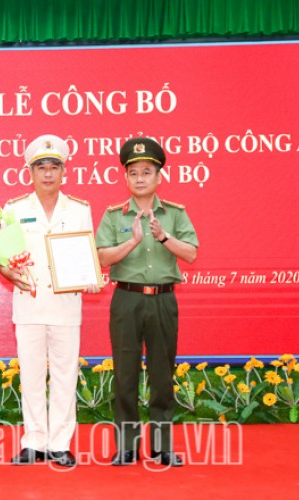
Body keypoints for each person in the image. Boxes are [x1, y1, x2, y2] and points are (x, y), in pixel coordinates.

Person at [0, 134, 99, 467]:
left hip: (66, 305)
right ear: (30, 172)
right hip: (29, 303)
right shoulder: (14, 208)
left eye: (55, 166)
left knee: (66, 376)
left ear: (64, 171)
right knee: (32, 376)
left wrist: (89, 277)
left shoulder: (80, 209)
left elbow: (87, 254)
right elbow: (2, 254)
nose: (48, 173)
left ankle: (60, 444)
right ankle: (34, 442)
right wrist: (5, 270)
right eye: (41, 167)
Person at [95, 137, 198, 467]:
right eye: (134, 173)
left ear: (158, 177)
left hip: (163, 301)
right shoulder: (114, 216)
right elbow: (101, 257)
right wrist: (133, 241)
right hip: (126, 299)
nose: (140, 178)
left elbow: (191, 254)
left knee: (162, 376)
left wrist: (163, 237)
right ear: (126, 178)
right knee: (124, 375)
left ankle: (161, 447)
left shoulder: (175, 214)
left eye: (147, 172)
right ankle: (127, 446)